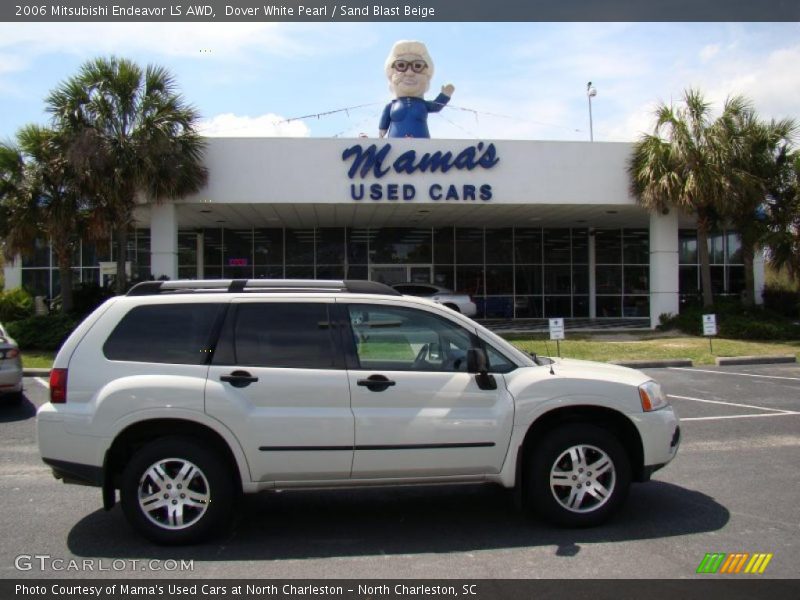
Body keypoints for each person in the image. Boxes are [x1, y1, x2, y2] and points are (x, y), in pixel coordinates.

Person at [378, 40, 455, 138]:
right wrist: (381, 130)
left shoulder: (423, 104)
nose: (409, 73)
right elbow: (383, 127)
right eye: (401, 65)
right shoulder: (391, 106)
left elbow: (436, 106)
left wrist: (444, 95)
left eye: (417, 66)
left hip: (422, 149)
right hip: (394, 149)